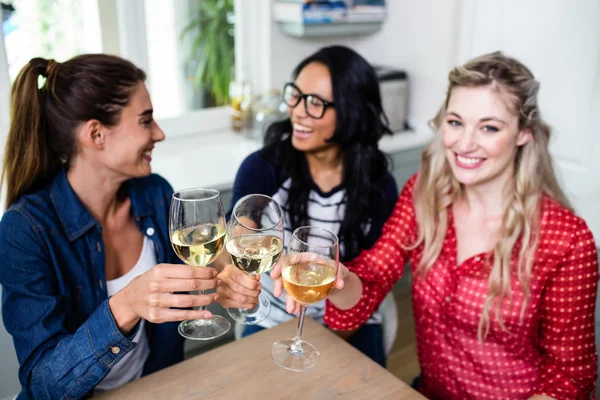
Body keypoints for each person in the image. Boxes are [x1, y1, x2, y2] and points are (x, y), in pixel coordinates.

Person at [275, 52, 599, 399]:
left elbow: (569, 378)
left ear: (524, 134)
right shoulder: (425, 195)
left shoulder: (567, 240)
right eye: (456, 122)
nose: (464, 144)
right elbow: (373, 276)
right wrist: (334, 276)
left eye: (489, 127)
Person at [0, 55, 219, 399]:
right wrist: (125, 306)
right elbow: (42, 384)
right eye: (146, 121)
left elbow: (191, 276)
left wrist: (225, 279)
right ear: (96, 134)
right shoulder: (25, 230)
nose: (159, 133)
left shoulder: (156, 193)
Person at [214, 45, 398, 366]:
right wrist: (231, 273)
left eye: (315, 103)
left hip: (351, 320)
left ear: (352, 111)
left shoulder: (378, 185)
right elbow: (235, 245)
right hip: (273, 318)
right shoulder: (263, 168)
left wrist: (331, 338)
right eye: (295, 96)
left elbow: (374, 276)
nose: (298, 111)